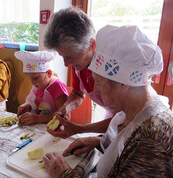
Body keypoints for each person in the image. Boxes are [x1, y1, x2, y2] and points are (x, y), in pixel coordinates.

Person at [42, 25, 173, 177]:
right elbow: (125, 148)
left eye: (98, 83)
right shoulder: (135, 112)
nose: (95, 92)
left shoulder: (148, 142)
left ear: (122, 84)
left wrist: (63, 173)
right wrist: (99, 142)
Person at [43, 6, 113, 138]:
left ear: (92, 45)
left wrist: (79, 129)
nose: (66, 64)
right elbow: (78, 93)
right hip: (113, 120)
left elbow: (125, 120)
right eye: (62, 56)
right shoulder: (79, 65)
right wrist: (66, 108)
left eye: (70, 57)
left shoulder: (111, 69)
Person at [14, 50, 68, 125]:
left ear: (49, 73)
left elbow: (63, 116)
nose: (32, 82)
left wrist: (37, 118)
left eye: (35, 78)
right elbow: (36, 105)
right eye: (30, 78)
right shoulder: (38, 86)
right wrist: (29, 106)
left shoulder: (58, 87)